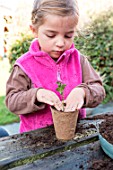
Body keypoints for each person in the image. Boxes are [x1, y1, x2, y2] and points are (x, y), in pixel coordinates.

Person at [5, 0, 105, 133]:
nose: (60, 43)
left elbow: (99, 90)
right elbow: (12, 101)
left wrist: (83, 92)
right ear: (34, 30)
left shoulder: (78, 59)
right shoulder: (24, 65)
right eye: (51, 35)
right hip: (35, 141)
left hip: (75, 135)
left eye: (68, 35)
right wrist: (37, 95)